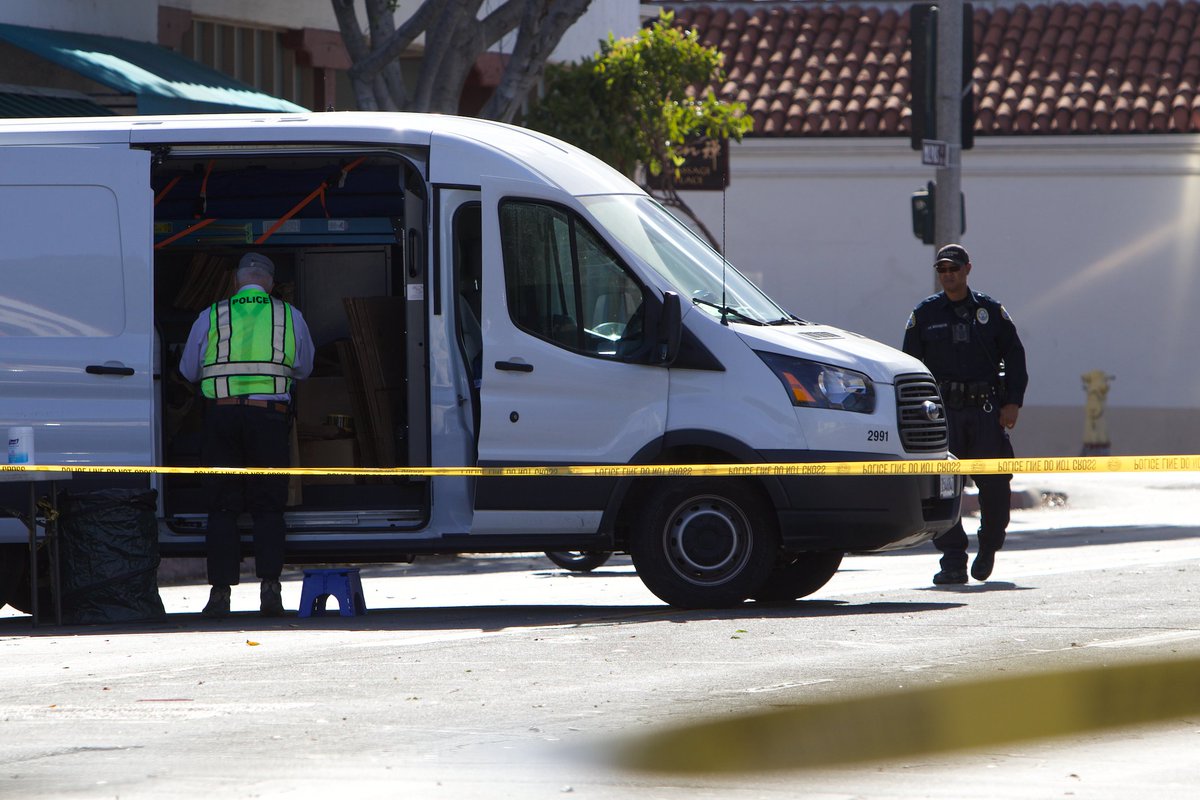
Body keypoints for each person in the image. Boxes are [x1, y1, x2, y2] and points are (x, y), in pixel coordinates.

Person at [179, 252, 314, 617]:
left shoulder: (211, 315)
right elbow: (304, 368)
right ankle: (270, 590)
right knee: (269, 506)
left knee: (222, 507)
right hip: (268, 419)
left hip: (220, 419)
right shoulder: (289, 315)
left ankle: (219, 595)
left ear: (237, 282)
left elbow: (189, 369)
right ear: (270, 283)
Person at [902, 244, 1028, 585]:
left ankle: (989, 546)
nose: (948, 275)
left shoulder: (988, 311)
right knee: (943, 487)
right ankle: (953, 558)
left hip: (986, 412)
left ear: (967, 269)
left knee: (996, 484)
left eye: (953, 269)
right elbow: (911, 366)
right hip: (945, 415)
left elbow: (1015, 355)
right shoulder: (925, 315)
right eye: (942, 269)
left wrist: (1012, 401)